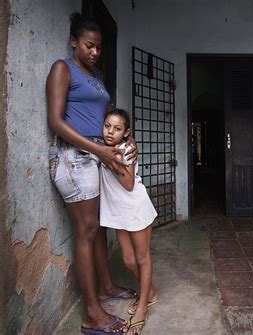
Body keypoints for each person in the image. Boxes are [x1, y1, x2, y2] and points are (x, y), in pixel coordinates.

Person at [47, 13, 138, 334]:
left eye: (99, 47)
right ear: (74, 41)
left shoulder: (96, 77)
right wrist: (99, 150)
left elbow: (107, 116)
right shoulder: (63, 68)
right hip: (73, 157)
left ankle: (106, 288)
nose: (95, 52)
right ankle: (91, 313)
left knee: (100, 228)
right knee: (86, 230)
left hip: (98, 155)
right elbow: (57, 122)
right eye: (89, 45)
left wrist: (126, 139)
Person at [99, 109, 158, 335]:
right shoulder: (103, 148)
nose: (110, 132)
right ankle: (150, 293)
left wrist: (112, 158)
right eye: (107, 126)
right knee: (128, 260)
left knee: (142, 258)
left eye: (117, 128)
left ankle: (143, 306)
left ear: (126, 133)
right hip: (119, 213)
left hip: (135, 209)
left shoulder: (126, 150)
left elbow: (129, 184)